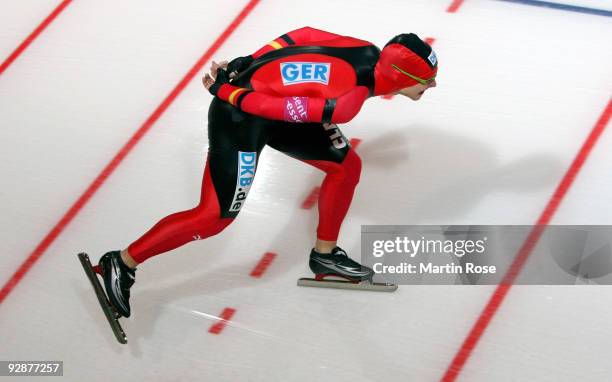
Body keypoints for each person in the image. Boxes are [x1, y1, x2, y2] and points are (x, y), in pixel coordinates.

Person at [97, 26, 438, 317]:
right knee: (214, 217)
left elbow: (303, 34)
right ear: (397, 77)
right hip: (241, 118)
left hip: (273, 109)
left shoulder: (367, 51)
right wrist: (227, 91)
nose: (432, 86)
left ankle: (325, 256)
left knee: (346, 167)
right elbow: (266, 105)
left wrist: (252, 57)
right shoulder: (348, 100)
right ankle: (123, 262)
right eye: (427, 79)